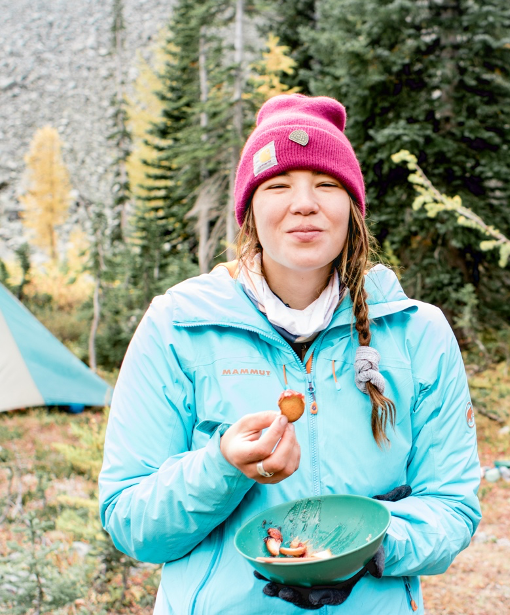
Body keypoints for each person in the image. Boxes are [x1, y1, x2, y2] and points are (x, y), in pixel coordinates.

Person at [98, 94, 482, 613]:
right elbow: (129, 522)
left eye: (327, 185)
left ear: (352, 207)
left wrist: (373, 545)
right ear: (250, 210)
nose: (305, 204)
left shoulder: (417, 333)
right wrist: (223, 467)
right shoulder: (179, 327)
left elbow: (454, 506)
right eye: (278, 186)